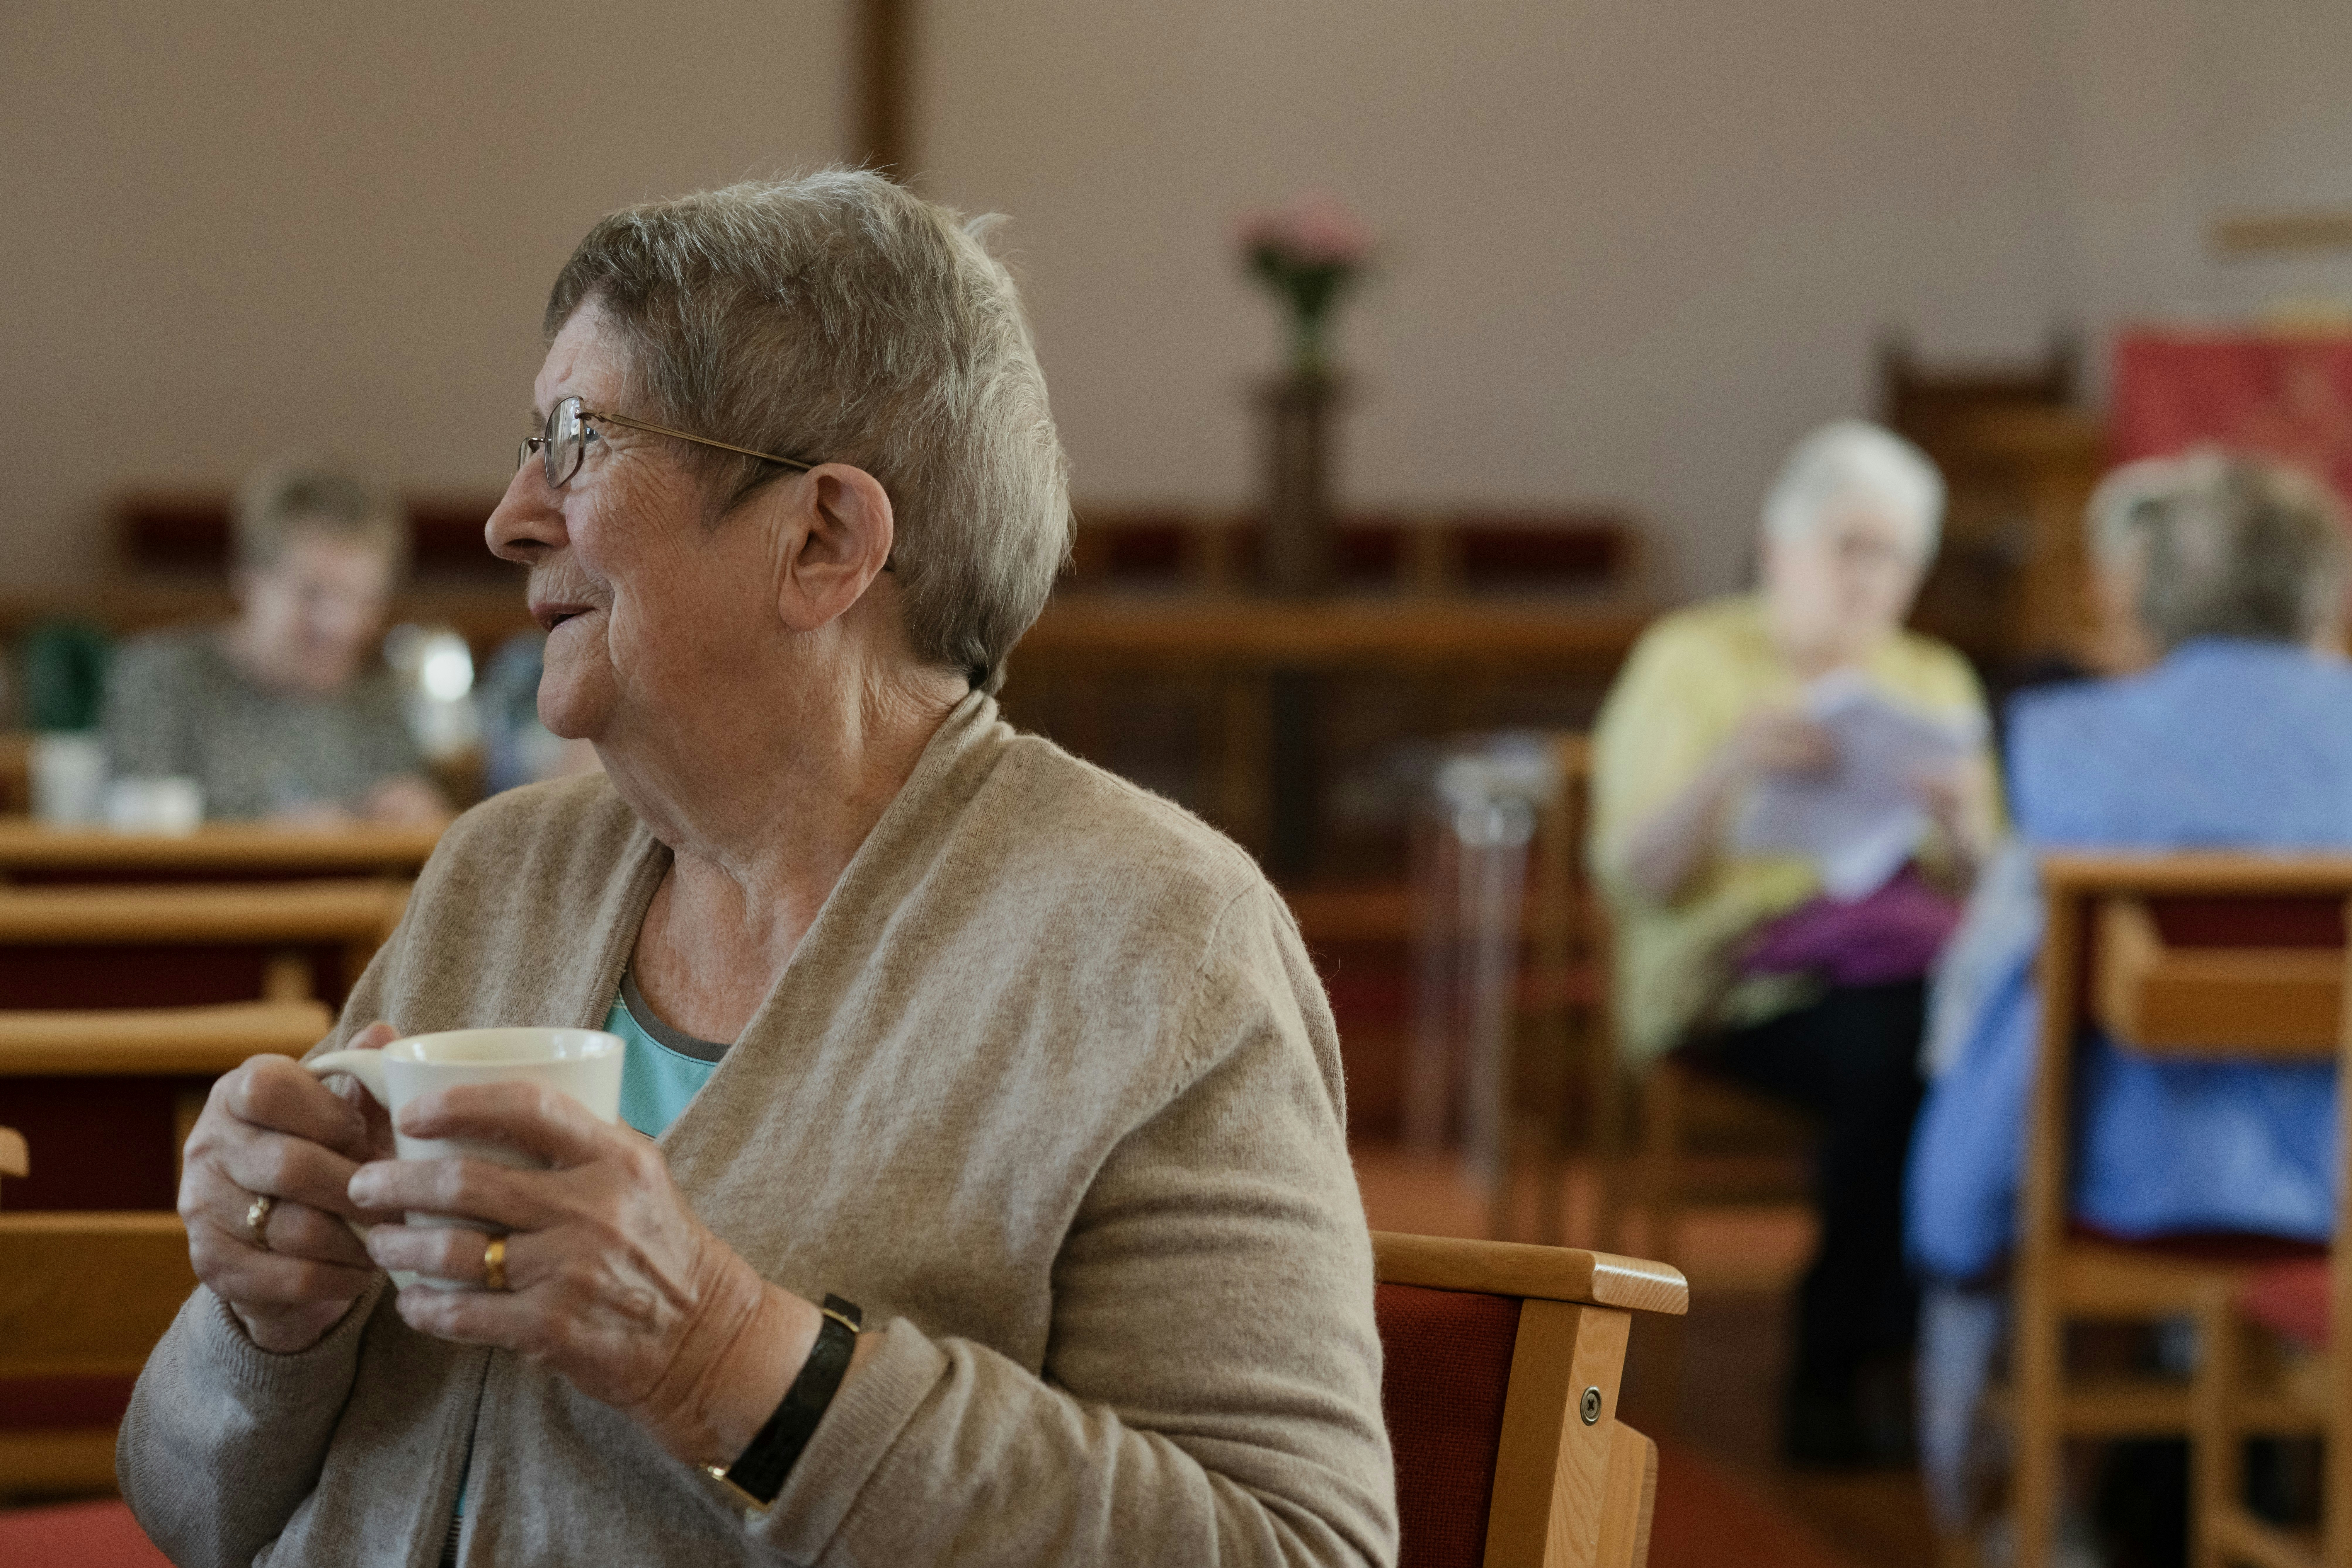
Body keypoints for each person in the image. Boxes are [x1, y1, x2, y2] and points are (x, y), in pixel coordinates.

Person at [118, 171, 1394, 1568]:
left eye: (575, 441)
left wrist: (720, 1356)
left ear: (825, 540)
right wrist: (261, 1320)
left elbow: (1298, 1550)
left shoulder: (1155, 941)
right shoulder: (502, 875)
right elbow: (193, 1514)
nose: (508, 517)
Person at [1907, 451, 2352, 1539]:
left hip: (2122, 1174)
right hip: (2333, 1175)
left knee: (2029, 1099)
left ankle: (2045, 1511)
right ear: (2320, 589)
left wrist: (1953, 1206)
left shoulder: (2073, 743)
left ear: (2150, 589)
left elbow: (2001, 999)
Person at [1589, 419, 1998, 1463]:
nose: (1869, 579)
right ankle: (1850, 1361)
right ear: (1779, 548)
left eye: (1894, 555)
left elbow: (1996, 899)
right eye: (1847, 547)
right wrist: (1732, 762)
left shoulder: (1934, 678)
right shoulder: (1691, 657)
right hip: (1731, 980)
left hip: (1899, 967)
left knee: (1958, 1047)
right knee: (1903, 1054)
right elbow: (1637, 873)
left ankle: (1901, 1351)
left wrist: (1963, 827)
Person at [101, 453, 448, 823]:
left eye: (362, 598)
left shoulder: (375, 689)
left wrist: (419, 812)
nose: (338, 624)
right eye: (312, 593)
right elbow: (136, 828)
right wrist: (271, 834)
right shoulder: (165, 675)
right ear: (248, 580)